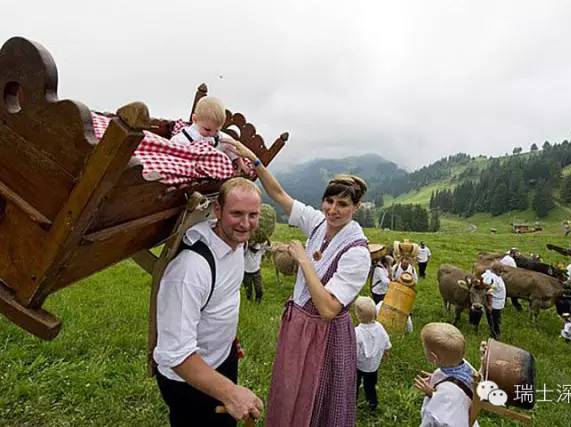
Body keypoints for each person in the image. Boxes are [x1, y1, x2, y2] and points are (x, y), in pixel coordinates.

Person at [227, 139, 371, 427]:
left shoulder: (357, 252)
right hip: (300, 325)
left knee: (317, 400)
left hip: (325, 336)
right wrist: (256, 161)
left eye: (343, 204)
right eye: (329, 201)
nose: (333, 210)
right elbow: (279, 194)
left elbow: (329, 309)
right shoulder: (318, 224)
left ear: (356, 207)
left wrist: (304, 261)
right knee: (291, 389)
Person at [153, 177, 264, 426]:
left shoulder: (234, 245)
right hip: (190, 380)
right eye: (236, 214)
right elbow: (176, 355)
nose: (245, 224)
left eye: (253, 215)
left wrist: (227, 340)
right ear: (217, 211)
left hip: (222, 359)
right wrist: (231, 393)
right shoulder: (189, 271)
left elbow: (222, 299)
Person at [414, 322, 479, 427]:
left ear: (434, 357)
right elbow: (461, 386)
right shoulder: (466, 368)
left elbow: (438, 418)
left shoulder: (448, 393)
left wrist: (433, 394)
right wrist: (439, 378)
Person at [171, 96, 249, 175]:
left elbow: (230, 146)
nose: (212, 134)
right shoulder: (184, 138)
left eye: (217, 130)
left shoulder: (219, 137)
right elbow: (174, 149)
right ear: (194, 119)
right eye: (207, 129)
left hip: (214, 172)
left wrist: (239, 162)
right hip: (191, 170)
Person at [354, 296, 392, 412]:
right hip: (374, 365)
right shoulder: (379, 327)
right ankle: (372, 404)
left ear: (357, 315)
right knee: (370, 385)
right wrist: (386, 351)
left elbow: (355, 351)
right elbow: (386, 341)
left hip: (360, 365)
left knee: (355, 383)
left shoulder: (357, 332)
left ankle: (352, 402)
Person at [481, 262, 506, 340]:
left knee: (495, 319)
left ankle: (494, 333)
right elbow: (489, 292)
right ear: (497, 270)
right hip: (495, 304)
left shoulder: (493, 275)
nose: (502, 272)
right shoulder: (492, 278)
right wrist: (490, 305)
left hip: (497, 303)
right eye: (501, 270)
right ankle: (495, 334)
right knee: (494, 320)